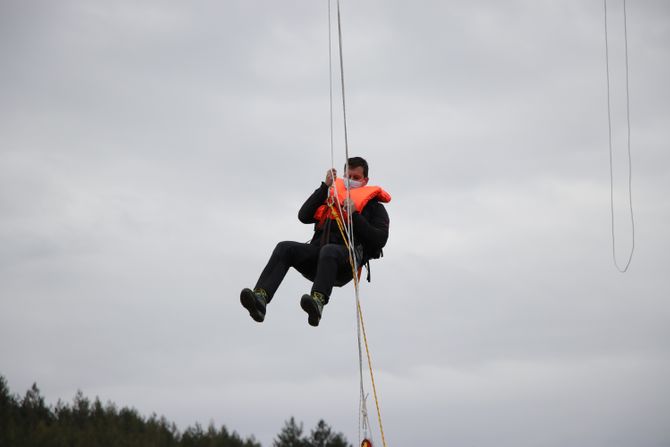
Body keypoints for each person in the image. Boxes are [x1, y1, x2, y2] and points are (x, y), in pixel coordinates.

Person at [240, 156, 391, 327]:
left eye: (356, 178)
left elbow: (380, 240)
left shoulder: (374, 208)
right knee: (285, 248)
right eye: (348, 176)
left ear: (365, 180)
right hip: (318, 260)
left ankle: (318, 301)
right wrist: (324, 187)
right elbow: (303, 215)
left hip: (344, 263)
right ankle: (261, 298)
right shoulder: (331, 198)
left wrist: (355, 215)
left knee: (330, 250)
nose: (351, 181)